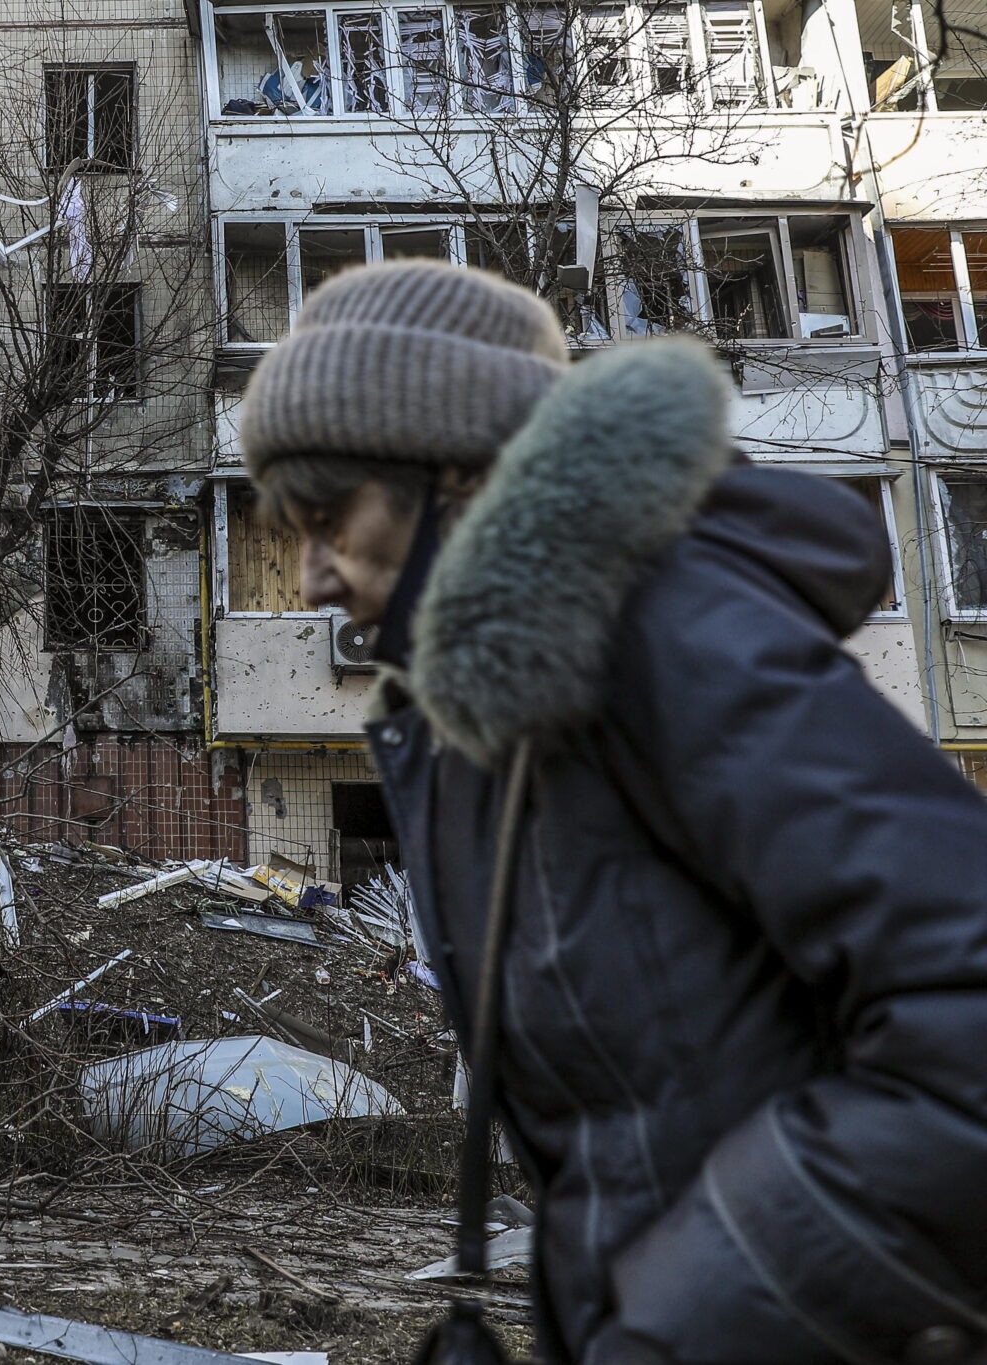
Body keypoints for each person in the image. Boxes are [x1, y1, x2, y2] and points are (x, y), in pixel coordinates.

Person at [240, 260, 987, 1365]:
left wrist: (687, 1324)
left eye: (327, 520)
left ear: (449, 477)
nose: (309, 578)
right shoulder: (497, 719)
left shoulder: (667, 632)